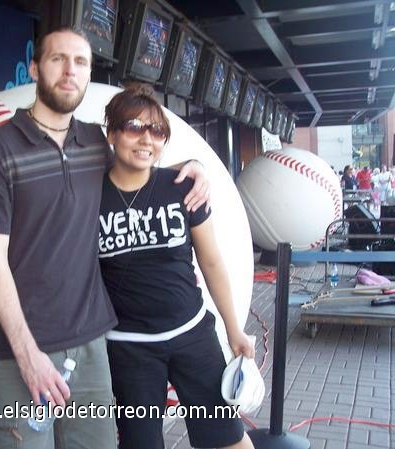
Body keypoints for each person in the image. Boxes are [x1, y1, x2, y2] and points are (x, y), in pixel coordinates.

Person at [0, 28, 210, 449]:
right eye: (58, 59)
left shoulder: (93, 142)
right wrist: (28, 355)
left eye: (80, 62)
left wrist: (194, 164)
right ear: (36, 68)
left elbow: (138, 162)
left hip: (91, 344)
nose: (69, 71)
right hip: (21, 348)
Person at [98, 86, 255, 449]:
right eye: (134, 126)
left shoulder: (182, 186)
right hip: (129, 348)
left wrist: (234, 330)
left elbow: (211, 260)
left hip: (193, 335)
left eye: (157, 131)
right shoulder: (91, 197)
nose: (146, 138)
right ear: (112, 134)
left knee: (227, 438)